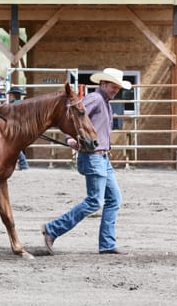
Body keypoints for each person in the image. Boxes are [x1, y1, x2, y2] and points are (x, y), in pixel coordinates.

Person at [42, 68, 132, 255]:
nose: (116, 90)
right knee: (95, 201)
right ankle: (53, 229)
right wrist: (69, 138)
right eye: (113, 86)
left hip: (102, 157)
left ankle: (107, 243)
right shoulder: (96, 99)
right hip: (94, 157)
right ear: (103, 84)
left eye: (118, 87)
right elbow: (72, 117)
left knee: (112, 199)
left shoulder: (104, 101)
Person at [7, 87, 29, 170]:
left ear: (12, 95)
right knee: (20, 146)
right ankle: (22, 164)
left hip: (15, 128)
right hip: (23, 128)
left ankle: (23, 163)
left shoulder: (12, 105)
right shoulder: (24, 104)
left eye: (10, 95)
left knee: (14, 146)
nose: (9, 96)